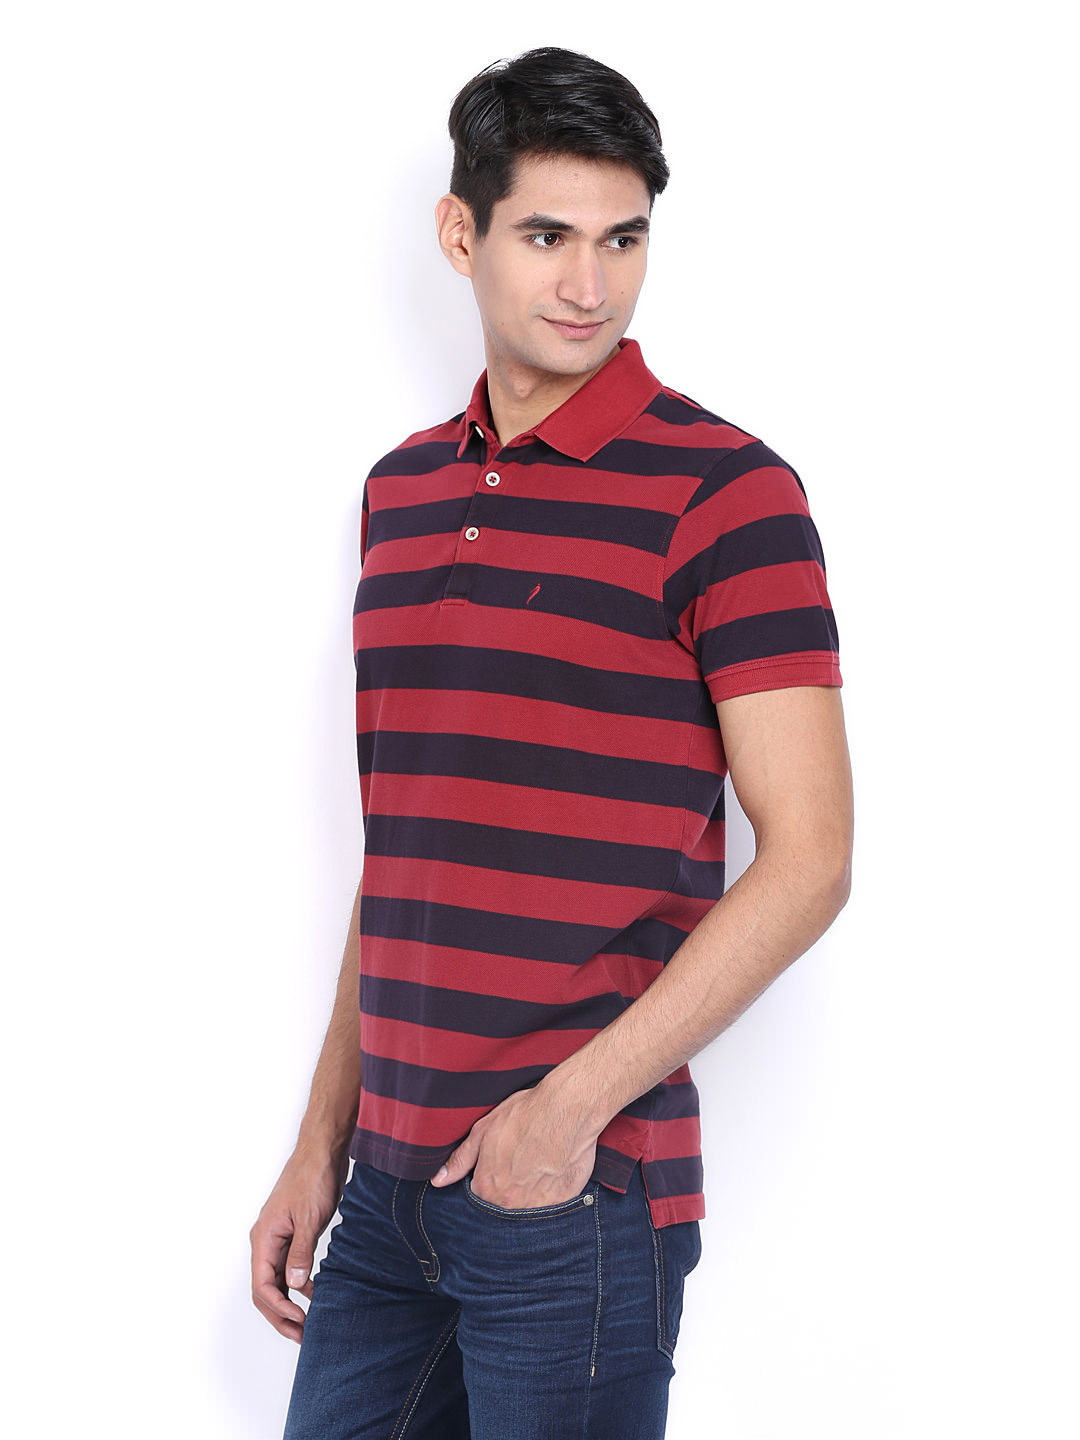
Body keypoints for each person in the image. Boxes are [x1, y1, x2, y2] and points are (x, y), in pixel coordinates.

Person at [250, 45, 854, 1440]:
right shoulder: (401, 493)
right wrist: (321, 1145)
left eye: (622, 240)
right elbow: (407, 852)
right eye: (547, 238)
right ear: (460, 234)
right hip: (385, 1197)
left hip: (573, 1195)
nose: (591, 285)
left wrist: (563, 1115)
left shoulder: (728, 494)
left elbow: (812, 858)